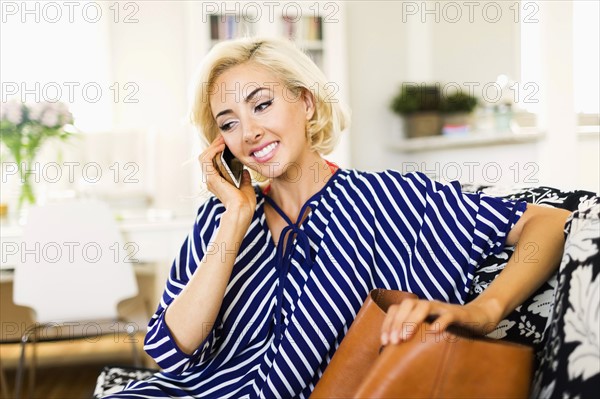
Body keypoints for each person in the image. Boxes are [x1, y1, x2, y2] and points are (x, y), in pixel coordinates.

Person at [103, 37, 570, 398]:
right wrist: (237, 215)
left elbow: (547, 223)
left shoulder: (391, 197)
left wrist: (484, 312)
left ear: (305, 103)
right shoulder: (220, 217)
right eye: (228, 122)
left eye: (262, 104)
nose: (249, 132)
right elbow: (168, 348)